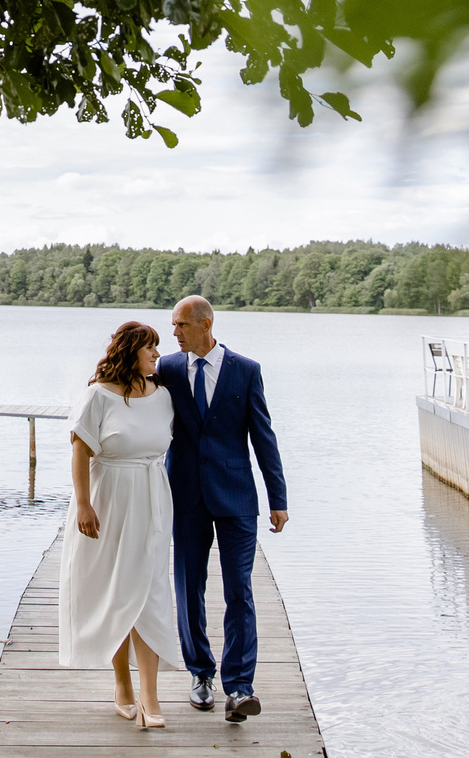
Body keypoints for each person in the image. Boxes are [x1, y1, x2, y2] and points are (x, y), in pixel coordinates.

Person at [157, 296, 287, 722]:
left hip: (236, 497)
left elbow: (263, 437)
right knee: (188, 587)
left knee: (239, 592)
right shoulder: (170, 369)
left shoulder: (246, 371)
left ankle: (239, 686)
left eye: (179, 325)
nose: (173, 333)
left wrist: (277, 500)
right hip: (186, 496)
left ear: (204, 324)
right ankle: (200, 673)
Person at [62, 321, 186, 729]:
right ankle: (122, 685)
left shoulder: (164, 396)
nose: (157, 355)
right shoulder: (97, 396)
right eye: (151, 348)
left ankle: (150, 696)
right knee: (118, 592)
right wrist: (83, 505)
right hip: (109, 500)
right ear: (131, 350)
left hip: (152, 500)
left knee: (149, 594)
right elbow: (81, 453)